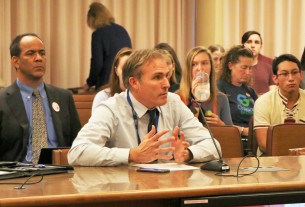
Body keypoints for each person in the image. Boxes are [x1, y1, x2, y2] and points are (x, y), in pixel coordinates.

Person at [68, 48, 219, 166]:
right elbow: (77, 152)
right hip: (126, 194)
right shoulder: (111, 108)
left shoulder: (173, 103)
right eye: (157, 77)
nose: (167, 84)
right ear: (134, 82)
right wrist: (132, 155)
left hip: (168, 190)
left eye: (166, 76)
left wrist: (188, 154)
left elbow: (214, 146)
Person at [0, 33, 81, 163]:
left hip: (58, 174)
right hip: (16, 177)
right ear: (16, 61)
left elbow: (78, 143)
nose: (39, 58)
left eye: (42, 53)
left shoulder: (63, 97)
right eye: (31, 53)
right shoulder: (2, 100)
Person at [254, 54, 305, 155]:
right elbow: (264, 145)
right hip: (270, 160)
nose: (290, 78)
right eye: (284, 74)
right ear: (275, 79)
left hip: (304, 160)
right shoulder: (263, 102)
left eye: (295, 73)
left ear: (301, 75)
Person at [177, 46, 233, 126]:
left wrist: (221, 125)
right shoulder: (177, 98)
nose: (200, 68)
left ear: (211, 67)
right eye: (194, 64)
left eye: (204, 63)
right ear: (188, 69)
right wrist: (195, 99)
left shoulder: (221, 98)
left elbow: (231, 135)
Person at [84, 2, 132, 91]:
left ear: (93, 18)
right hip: (125, 83)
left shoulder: (98, 34)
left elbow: (97, 63)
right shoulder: (122, 30)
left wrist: (89, 82)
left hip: (106, 85)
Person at [217, 45, 257, 141]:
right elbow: (217, 123)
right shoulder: (219, 88)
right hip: (231, 140)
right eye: (243, 67)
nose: (247, 72)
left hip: (252, 141)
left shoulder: (250, 91)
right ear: (230, 65)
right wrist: (242, 130)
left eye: (250, 68)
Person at [92, 47, 133, 113]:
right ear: (116, 70)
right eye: (124, 69)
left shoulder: (143, 96)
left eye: (132, 69)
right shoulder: (103, 97)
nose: (128, 73)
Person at [241, 30, 275, 95]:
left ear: (261, 46)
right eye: (249, 42)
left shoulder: (269, 63)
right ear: (243, 45)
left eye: (256, 42)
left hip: (264, 102)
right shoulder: (236, 64)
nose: (253, 45)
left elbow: (273, 90)